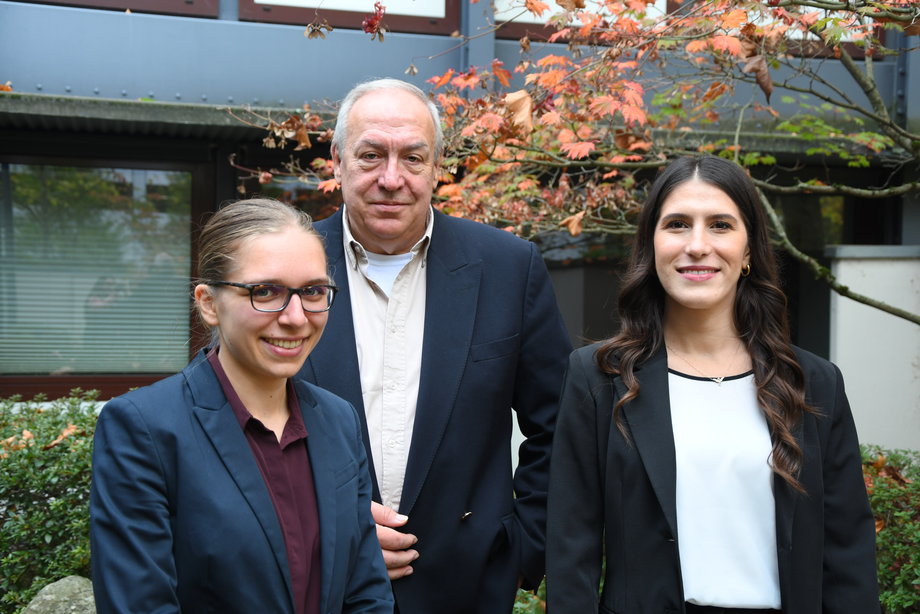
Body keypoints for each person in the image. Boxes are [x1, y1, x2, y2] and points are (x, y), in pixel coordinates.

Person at [546, 156, 880, 614]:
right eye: (678, 225)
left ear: (747, 252)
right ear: (652, 246)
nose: (697, 245)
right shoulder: (599, 377)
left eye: (721, 225)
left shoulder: (813, 383)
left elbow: (849, 558)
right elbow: (571, 548)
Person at [297, 78, 573, 614]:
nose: (391, 179)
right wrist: (321, 526)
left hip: (467, 587)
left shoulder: (509, 269)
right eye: (371, 155)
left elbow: (561, 423)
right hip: (312, 584)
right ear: (337, 160)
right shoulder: (282, 269)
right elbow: (232, 429)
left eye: (413, 158)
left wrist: (522, 550)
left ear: (438, 165)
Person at [90, 198, 394, 614]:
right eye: (265, 291)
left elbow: (366, 592)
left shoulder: (339, 421)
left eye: (312, 291)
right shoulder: (144, 429)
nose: (295, 316)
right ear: (208, 303)